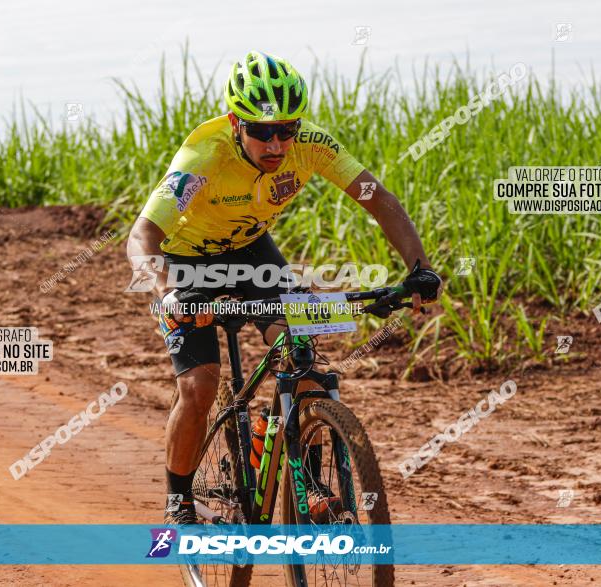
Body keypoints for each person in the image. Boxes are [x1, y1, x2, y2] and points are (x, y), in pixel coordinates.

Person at [126, 51, 442, 524]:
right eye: (261, 131)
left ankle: (307, 480)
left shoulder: (311, 145)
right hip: (185, 261)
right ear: (236, 123)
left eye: (286, 130)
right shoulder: (204, 153)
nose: (276, 144)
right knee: (200, 386)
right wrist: (168, 292)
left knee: (302, 357)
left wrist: (419, 267)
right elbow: (142, 236)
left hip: (251, 252)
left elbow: (381, 202)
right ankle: (178, 503)